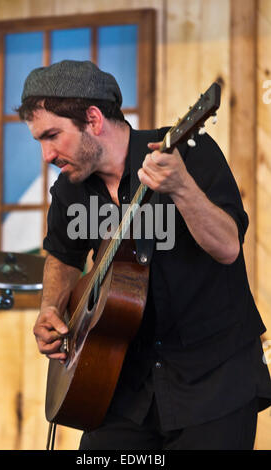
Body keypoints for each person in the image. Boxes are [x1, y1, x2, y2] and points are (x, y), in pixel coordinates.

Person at [17, 60, 271, 450]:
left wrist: (182, 187)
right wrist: (51, 307)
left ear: (93, 119)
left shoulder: (189, 153)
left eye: (52, 136)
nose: (47, 154)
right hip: (123, 386)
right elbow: (62, 257)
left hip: (213, 380)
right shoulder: (71, 191)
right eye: (39, 141)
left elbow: (228, 247)